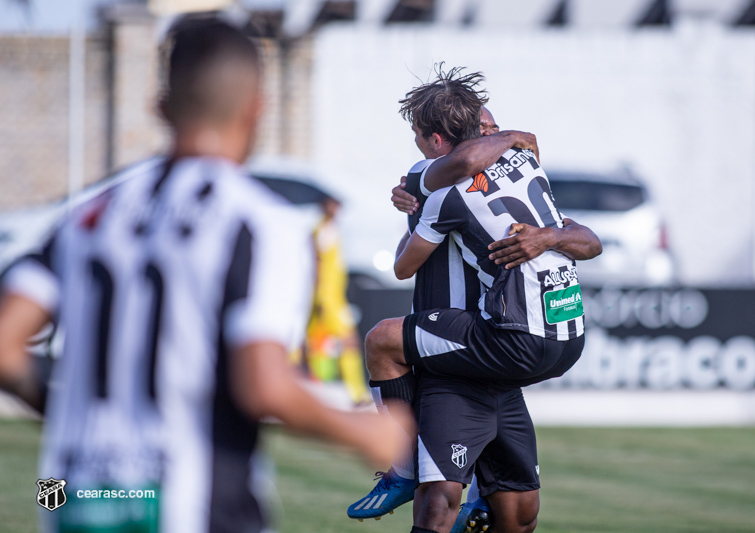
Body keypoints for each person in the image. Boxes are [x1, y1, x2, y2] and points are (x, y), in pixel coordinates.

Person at [0, 17, 406, 533]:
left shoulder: (89, 216)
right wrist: (362, 432)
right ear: (256, 106)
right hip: (196, 504)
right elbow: (263, 385)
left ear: (162, 107)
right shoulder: (259, 222)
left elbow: (5, 344)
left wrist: (75, 412)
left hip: (75, 499)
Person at [352, 68, 601, 533]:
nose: (493, 137)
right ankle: (447, 481)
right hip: (516, 347)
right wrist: (513, 140)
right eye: (485, 131)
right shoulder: (524, 161)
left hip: (502, 340)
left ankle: (402, 467)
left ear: (437, 140)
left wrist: (545, 236)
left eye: (495, 130)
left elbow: (404, 264)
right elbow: (474, 162)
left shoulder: (445, 183)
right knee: (475, 503)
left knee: (381, 340)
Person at [306, 195, 371, 405]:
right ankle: (357, 394)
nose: (336, 209)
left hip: (329, 297)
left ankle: (316, 393)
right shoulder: (323, 231)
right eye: (333, 204)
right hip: (327, 299)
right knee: (348, 342)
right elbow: (317, 267)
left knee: (315, 344)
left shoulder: (327, 230)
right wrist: (320, 299)